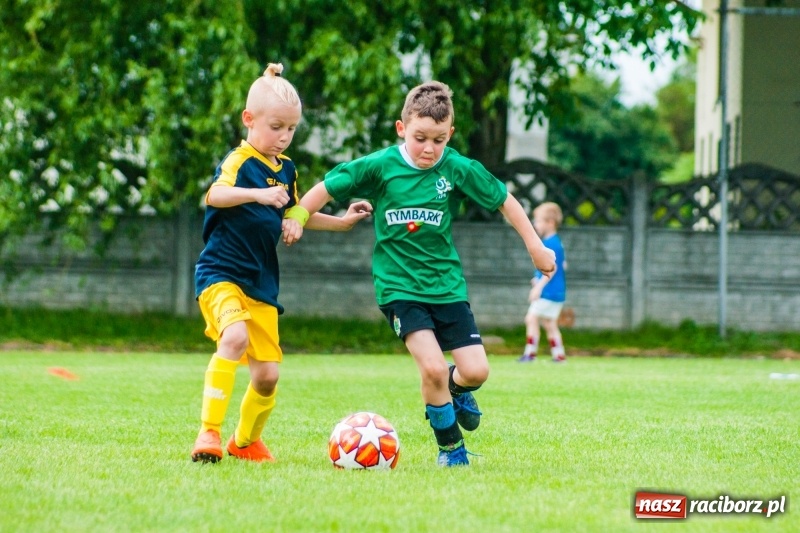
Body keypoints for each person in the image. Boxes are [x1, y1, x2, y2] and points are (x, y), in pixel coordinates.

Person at [282, 81, 555, 467]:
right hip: (399, 288)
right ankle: (451, 450)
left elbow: (505, 200)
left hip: (446, 286)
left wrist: (534, 245)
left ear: (451, 135)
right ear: (401, 129)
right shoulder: (380, 166)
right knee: (431, 368)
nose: (429, 148)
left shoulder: (456, 167)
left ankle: (455, 391)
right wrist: (296, 215)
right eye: (420, 138)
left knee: (476, 370)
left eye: (439, 140)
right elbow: (326, 187)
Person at [191, 64, 372, 464]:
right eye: (276, 127)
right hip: (221, 274)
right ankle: (209, 433)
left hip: (262, 284)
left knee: (268, 376)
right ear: (249, 120)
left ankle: (244, 442)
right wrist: (257, 195)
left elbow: (292, 210)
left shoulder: (286, 168)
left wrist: (340, 222)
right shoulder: (240, 161)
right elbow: (215, 195)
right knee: (233, 338)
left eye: (291, 129)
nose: (284, 137)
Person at [518, 202, 567, 363]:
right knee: (549, 323)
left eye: (538, 221)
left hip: (548, 291)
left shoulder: (550, 243)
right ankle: (559, 355)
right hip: (557, 291)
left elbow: (552, 269)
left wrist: (538, 287)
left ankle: (530, 353)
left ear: (550, 223)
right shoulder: (557, 242)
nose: (535, 224)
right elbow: (563, 265)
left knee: (531, 318)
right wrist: (537, 278)